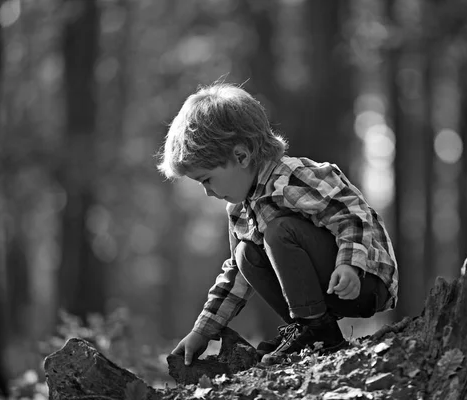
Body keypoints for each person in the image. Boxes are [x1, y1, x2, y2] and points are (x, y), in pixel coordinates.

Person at [157, 82, 398, 365]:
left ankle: (314, 326)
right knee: (245, 255)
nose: (207, 191)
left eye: (207, 179)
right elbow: (236, 276)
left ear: (241, 156)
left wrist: (350, 264)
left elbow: (352, 214)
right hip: (329, 290)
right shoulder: (239, 209)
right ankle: (315, 331)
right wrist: (202, 331)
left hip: (365, 279)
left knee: (279, 231)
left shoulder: (292, 177)